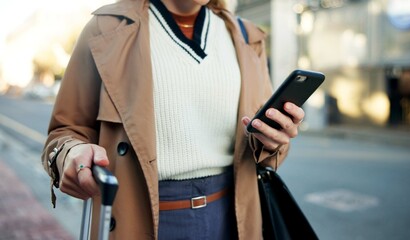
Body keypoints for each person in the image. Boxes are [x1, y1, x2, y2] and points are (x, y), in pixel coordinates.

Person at [41, 0, 305, 239]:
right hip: (142, 221)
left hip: (235, 221)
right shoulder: (106, 28)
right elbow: (65, 131)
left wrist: (273, 140)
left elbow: (266, 150)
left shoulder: (248, 37)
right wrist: (71, 153)